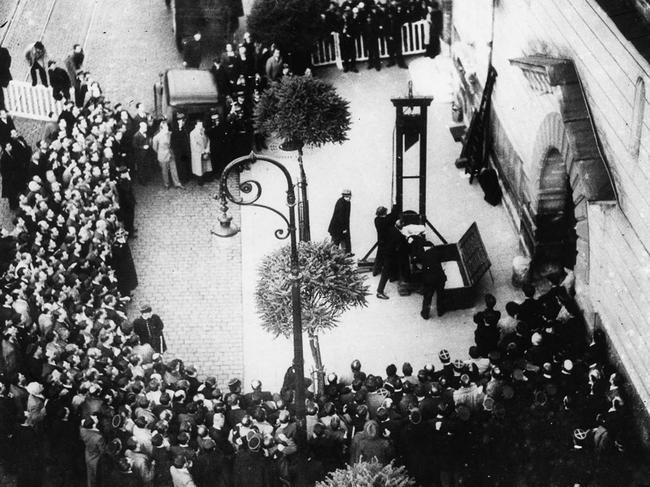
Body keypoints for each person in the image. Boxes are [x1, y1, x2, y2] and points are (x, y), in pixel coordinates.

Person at [375, 205, 403, 299]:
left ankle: (392, 277)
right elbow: (392, 217)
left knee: (389, 265)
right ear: (384, 213)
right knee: (386, 269)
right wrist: (396, 205)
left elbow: (390, 217)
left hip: (383, 248)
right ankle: (379, 291)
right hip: (387, 249)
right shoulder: (385, 223)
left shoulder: (377, 220)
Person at [417, 243, 447, 319]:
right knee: (440, 295)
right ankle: (440, 311)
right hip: (440, 278)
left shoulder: (424, 254)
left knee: (428, 297)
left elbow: (420, 266)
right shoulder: (437, 252)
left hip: (429, 280)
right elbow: (443, 264)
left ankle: (425, 314)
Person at [152, 119, 184, 189]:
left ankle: (177, 183)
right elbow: (155, 148)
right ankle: (166, 184)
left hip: (170, 154)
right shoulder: (156, 137)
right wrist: (160, 152)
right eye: (165, 127)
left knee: (174, 169)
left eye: (167, 127)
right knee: (164, 171)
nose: (167, 128)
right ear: (161, 127)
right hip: (162, 156)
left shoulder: (170, 134)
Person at [328, 189, 353, 255]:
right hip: (337, 227)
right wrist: (343, 229)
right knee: (335, 243)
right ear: (345, 196)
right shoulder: (341, 203)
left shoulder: (347, 202)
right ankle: (333, 256)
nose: (350, 197)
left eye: (350, 196)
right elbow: (340, 217)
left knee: (344, 241)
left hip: (342, 227)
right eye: (349, 196)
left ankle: (346, 253)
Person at [189, 119, 212, 185]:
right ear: (195, 125)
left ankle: (207, 178)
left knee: (206, 166)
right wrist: (202, 151)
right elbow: (194, 144)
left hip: (205, 152)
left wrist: (207, 149)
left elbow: (208, 140)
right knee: (199, 168)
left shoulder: (203, 131)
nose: (201, 126)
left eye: (201, 124)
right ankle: (200, 180)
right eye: (199, 125)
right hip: (197, 153)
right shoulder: (192, 133)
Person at [132, 121, 152, 185]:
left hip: (146, 154)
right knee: (141, 168)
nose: (146, 128)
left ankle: (146, 178)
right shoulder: (136, 136)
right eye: (145, 127)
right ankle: (141, 181)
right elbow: (134, 146)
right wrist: (142, 147)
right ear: (141, 127)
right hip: (140, 155)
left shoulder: (145, 133)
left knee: (146, 166)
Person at [0, 43, 11, 110]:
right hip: (5, 80)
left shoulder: (4, 51)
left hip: (3, 80)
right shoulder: (4, 51)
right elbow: (8, 64)